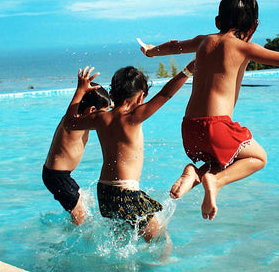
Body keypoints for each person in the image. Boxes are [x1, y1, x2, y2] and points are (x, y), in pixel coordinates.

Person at [139, 0, 279, 221]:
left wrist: (151, 51)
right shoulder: (243, 48)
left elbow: (174, 47)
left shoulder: (202, 41)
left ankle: (195, 173)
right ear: (254, 26)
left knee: (222, 159)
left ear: (217, 21)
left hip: (190, 129)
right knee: (258, 158)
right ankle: (214, 180)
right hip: (217, 126)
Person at [64, 62, 194, 242]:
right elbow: (165, 94)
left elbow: (69, 123)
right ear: (141, 96)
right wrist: (188, 71)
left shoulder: (101, 118)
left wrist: (80, 91)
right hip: (126, 193)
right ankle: (154, 269)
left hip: (104, 192)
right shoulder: (133, 117)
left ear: (112, 94)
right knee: (161, 239)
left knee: (121, 239)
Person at [43, 79, 112, 225]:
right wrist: (80, 90)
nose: (104, 116)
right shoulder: (74, 123)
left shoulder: (80, 119)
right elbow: (106, 123)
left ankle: (69, 227)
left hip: (58, 174)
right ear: (91, 110)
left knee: (85, 203)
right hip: (57, 176)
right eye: (103, 112)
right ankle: (68, 244)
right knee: (80, 217)